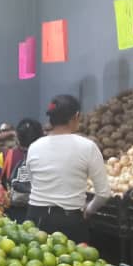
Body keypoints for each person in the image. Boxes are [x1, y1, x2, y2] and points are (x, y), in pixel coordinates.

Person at [26, 95, 111, 244]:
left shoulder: (35, 146)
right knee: (73, 263)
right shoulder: (87, 147)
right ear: (76, 116)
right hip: (70, 222)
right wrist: (89, 209)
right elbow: (103, 194)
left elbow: (33, 182)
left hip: (35, 219)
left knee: (36, 263)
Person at [0, 118, 44, 222]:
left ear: (18, 137)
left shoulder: (5, 156)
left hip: (11, 214)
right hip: (39, 212)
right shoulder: (46, 157)